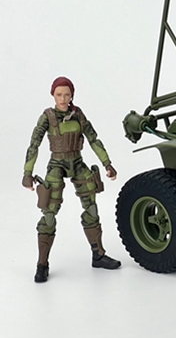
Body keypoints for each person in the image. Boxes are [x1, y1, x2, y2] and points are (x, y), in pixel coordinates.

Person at [22, 77, 121, 282]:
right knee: (49, 213)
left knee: (91, 207)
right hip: (56, 165)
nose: (63, 98)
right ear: (53, 95)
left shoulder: (78, 115)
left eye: (67, 94)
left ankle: (98, 255)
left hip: (77, 162)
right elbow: (34, 144)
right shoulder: (47, 117)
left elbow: (93, 139)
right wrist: (27, 173)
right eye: (59, 94)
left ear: (71, 95)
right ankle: (42, 264)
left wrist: (107, 163)